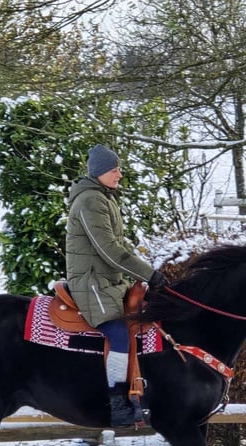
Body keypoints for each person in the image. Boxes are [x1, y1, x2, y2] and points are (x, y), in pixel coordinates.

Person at [65, 144, 167, 426]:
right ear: (99, 172)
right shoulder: (90, 201)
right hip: (92, 283)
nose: (119, 174)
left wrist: (146, 274)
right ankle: (117, 401)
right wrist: (149, 275)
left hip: (109, 281)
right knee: (119, 334)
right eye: (114, 169)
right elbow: (108, 248)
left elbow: (120, 246)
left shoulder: (104, 199)